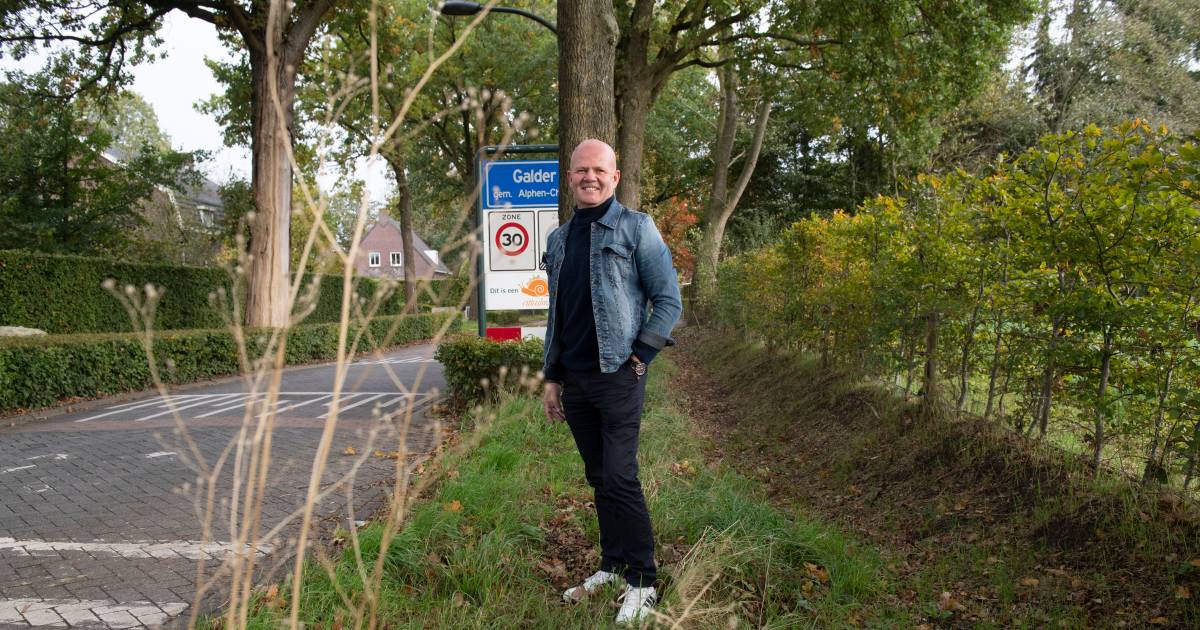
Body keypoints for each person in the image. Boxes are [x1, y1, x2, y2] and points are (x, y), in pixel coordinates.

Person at [541, 139, 683, 625]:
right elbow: (557, 315)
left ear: (615, 176)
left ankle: (643, 581)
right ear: (570, 177)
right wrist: (551, 378)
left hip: (619, 375)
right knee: (599, 477)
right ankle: (613, 565)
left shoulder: (636, 228)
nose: (590, 177)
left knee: (621, 476)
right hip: (575, 381)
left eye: (599, 170)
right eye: (581, 170)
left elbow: (669, 302)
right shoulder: (558, 240)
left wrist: (639, 360)